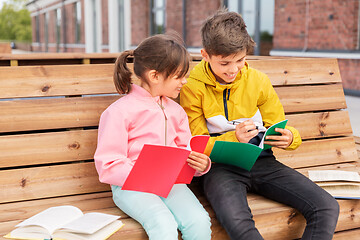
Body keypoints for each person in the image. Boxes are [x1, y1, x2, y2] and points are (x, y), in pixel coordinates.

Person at [180, 9, 339, 240]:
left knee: (326, 207)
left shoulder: (258, 81)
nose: (233, 69)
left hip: (262, 161)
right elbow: (196, 143)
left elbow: (279, 123)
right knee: (240, 225)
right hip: (219, 168)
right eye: (224, 63)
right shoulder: (192, 88)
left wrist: (290, 138)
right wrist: (235, 138)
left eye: (240, 60)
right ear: (205, 55)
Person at [94, 34, 212, 240]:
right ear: (155, 76)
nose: (184, 82)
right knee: (163, 224)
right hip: (130, 187)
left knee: (199, 220)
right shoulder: (118, 112)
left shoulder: (176, 111)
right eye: (178, 76)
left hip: (170, 184)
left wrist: (199, 165)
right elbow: (108, 165)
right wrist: (144, 174)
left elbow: (185, 151)